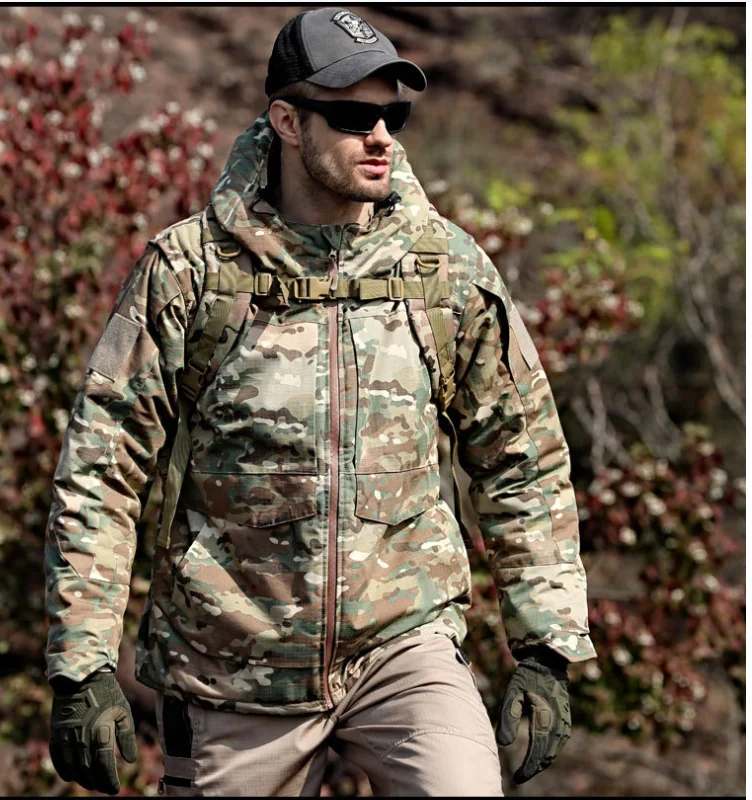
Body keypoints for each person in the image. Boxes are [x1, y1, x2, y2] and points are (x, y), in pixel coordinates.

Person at [45, 7, 596, 797]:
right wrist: (82, 664)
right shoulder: (190, 273)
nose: (381, 137)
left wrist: (546, 647)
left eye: (392, 116)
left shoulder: (444, 270)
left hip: (404, 649)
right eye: (352, 117)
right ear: (287, 121)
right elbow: (103, 469)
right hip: (233, 667)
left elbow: (522, 457)